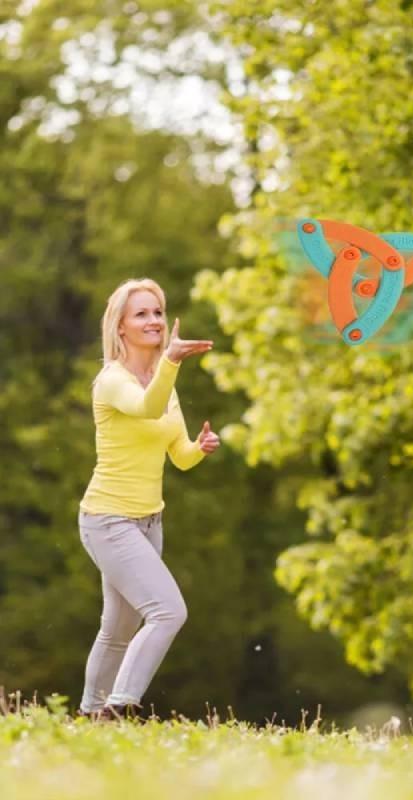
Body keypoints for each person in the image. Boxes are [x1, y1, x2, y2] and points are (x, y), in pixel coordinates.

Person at [77, 278, 220, 719]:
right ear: (120, 327)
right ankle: (118, 708)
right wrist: (172, 363)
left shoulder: (163, 382)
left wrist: (199, 447)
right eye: (141, 313)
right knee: (167, 612)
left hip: (148, 522)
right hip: (107, 519)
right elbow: (147, 408)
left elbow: (178, 457)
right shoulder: (111, 381)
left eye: (158, 312)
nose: (154, 321)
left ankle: (88, 716)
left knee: (119, 628)